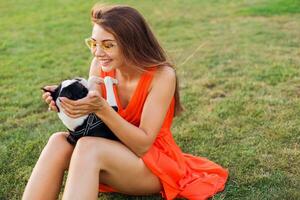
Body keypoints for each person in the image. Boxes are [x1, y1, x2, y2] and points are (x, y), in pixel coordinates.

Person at [22, 4, 228, 200]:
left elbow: (143, 145)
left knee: (88, 147)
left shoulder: (162, 76)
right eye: (93, 43)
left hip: (153, 164)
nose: (98, 52)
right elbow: (93, 126)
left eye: (108, 45)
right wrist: (67, 105)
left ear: (132, 43)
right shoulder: (100, 64)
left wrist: (102, 109)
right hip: (112, 155)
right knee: (58, 141)